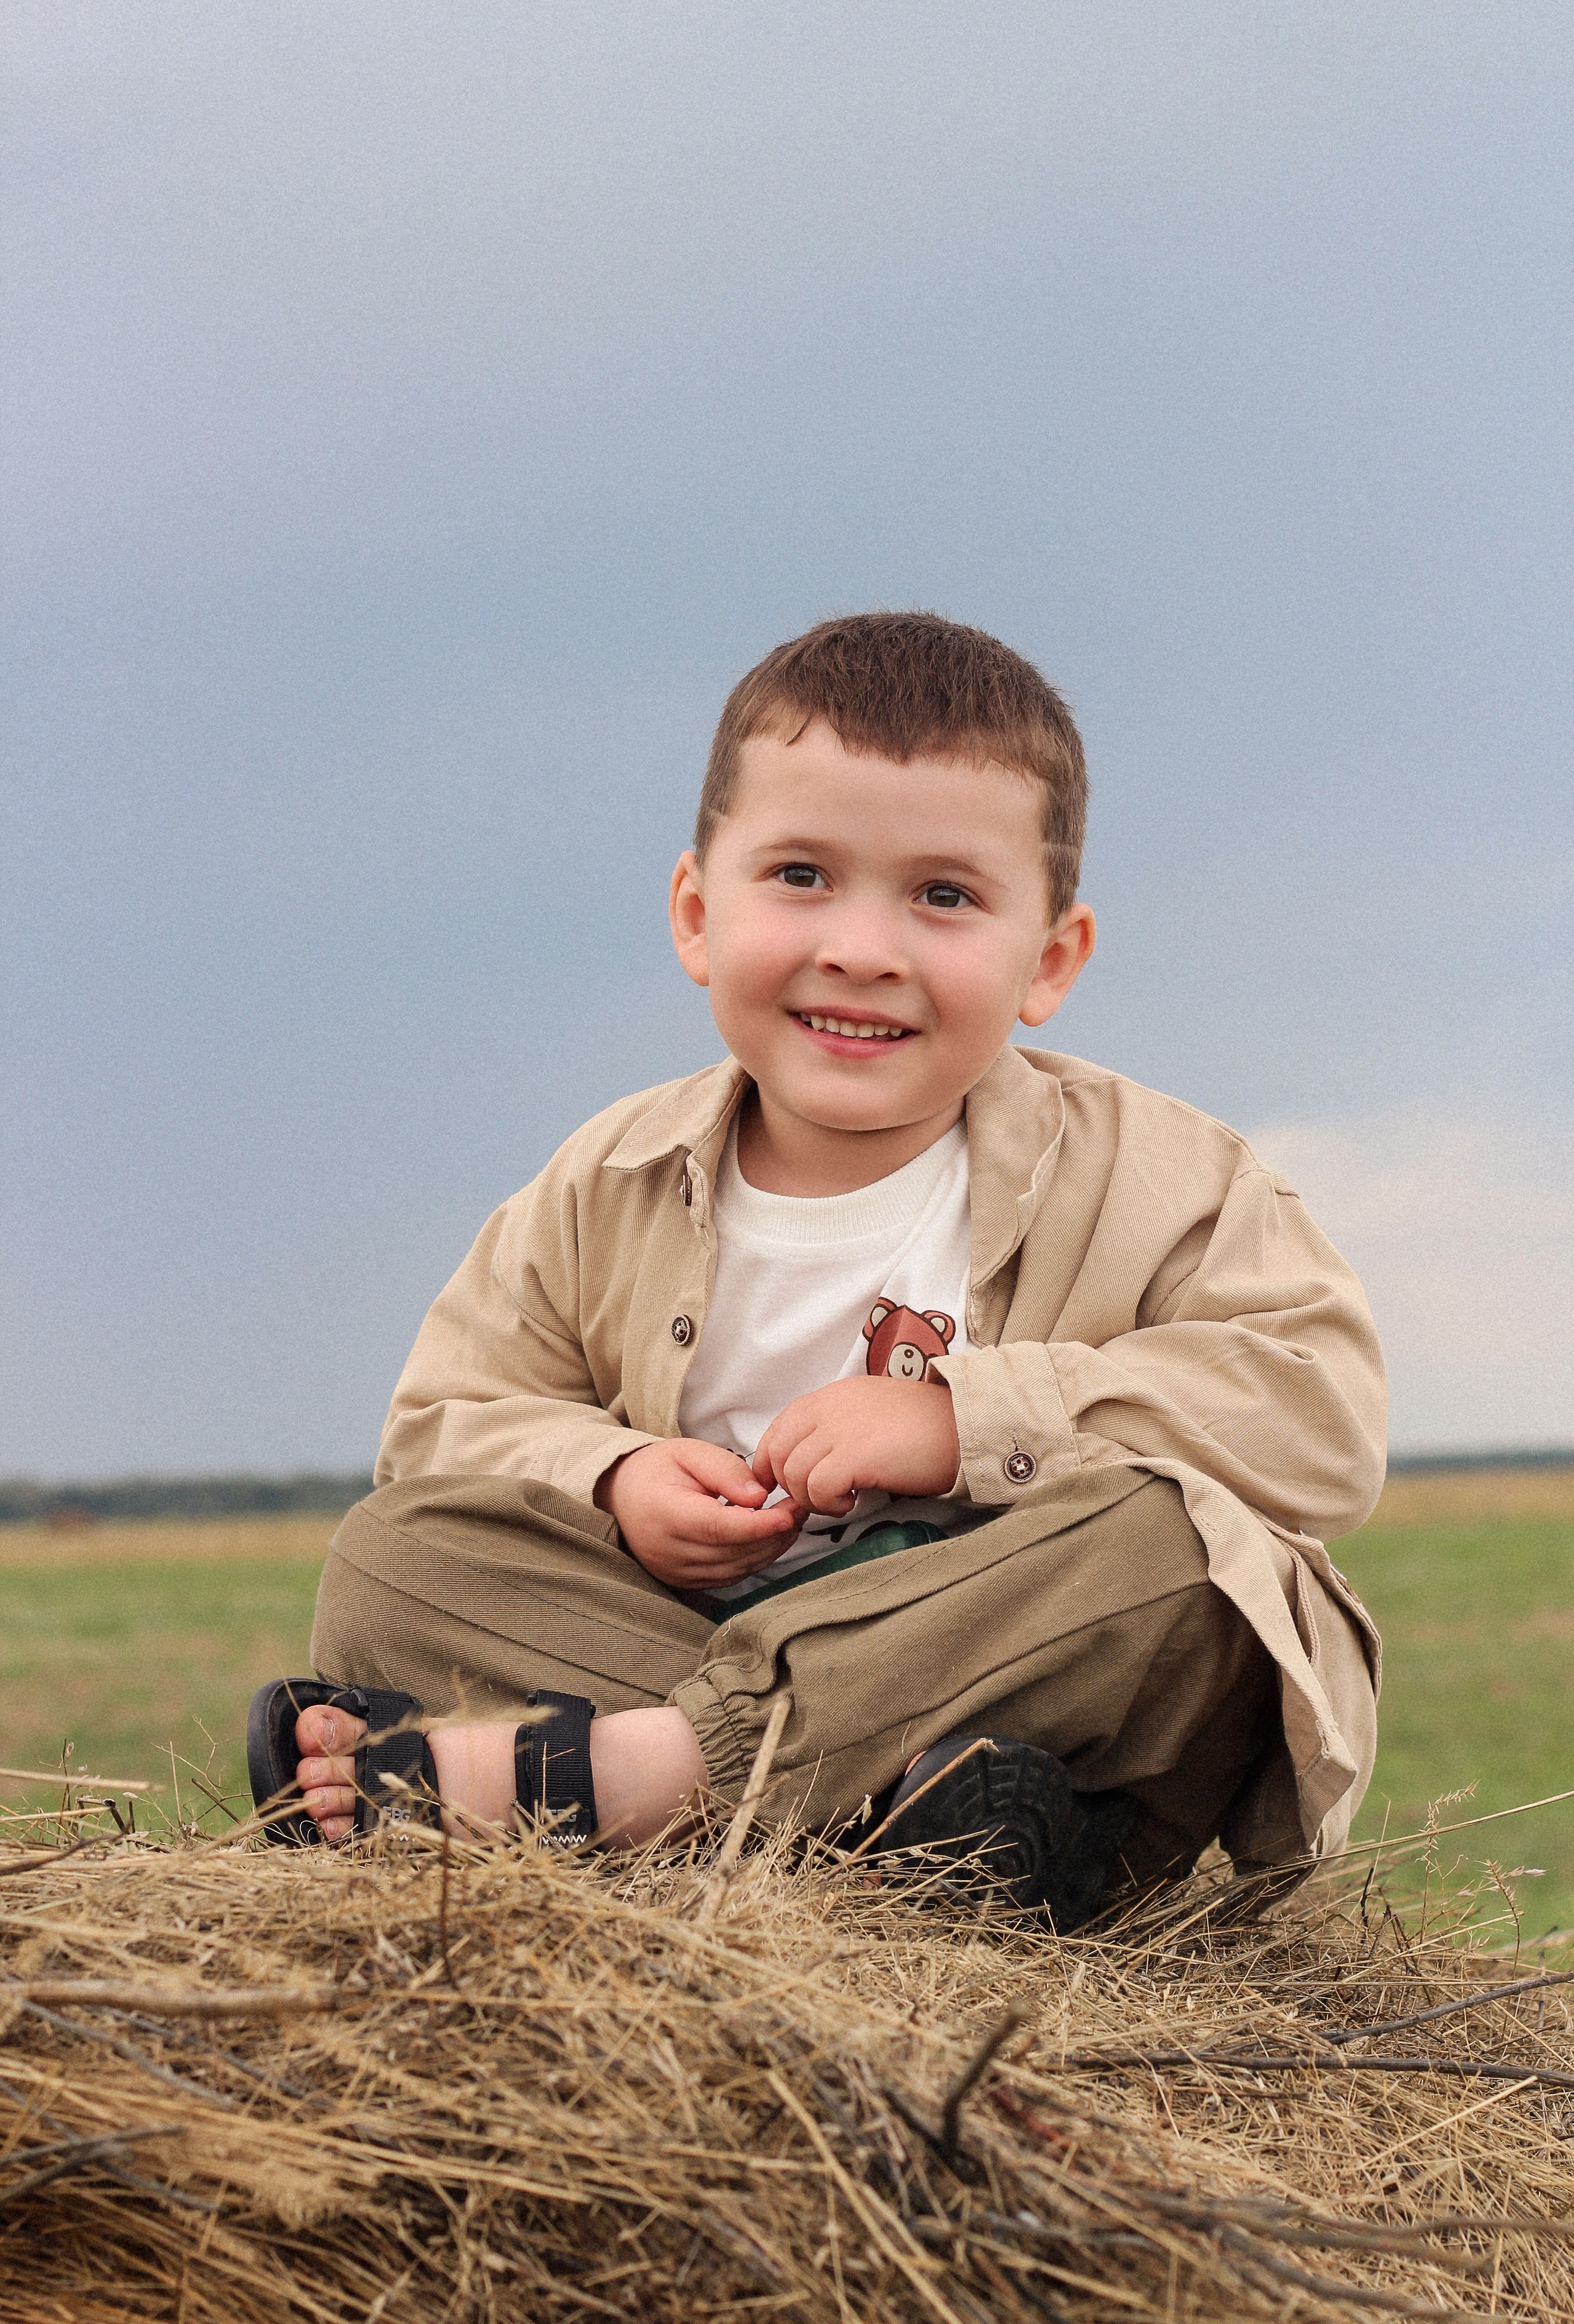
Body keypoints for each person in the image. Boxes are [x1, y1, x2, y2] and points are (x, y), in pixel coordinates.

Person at [248, 612, 1385, 1922]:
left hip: (1022, 1695)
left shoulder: (1170, 1176)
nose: (859, 946)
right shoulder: (603, 1179)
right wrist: (610, 1477)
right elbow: (443, 1426)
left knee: (1187, 1557)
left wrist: (961, 1417)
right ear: (694, 913)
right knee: (392, 1557)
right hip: (799, 1711)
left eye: (943, 897)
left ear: (1049, 959)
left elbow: (1318, 1416)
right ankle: (878, 1834)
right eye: (799, 876)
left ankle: (645, 1781)